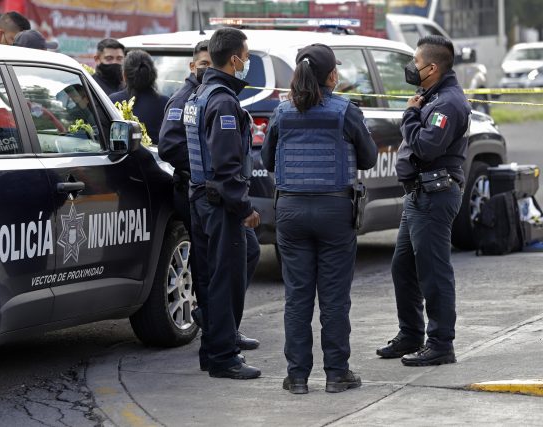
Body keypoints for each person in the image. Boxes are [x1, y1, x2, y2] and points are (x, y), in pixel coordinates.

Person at [261, 44, 377, 394]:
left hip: (291, 212)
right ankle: (336, 374)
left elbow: (267, 159)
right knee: (334, 298)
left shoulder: (282, 112)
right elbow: (369, 158)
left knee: (297, 298)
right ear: (331, 76)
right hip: (334, 212)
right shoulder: (345, 111)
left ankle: (297, 377)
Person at [158, 40, 260, 369]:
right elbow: (226, 166)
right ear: (233, 59)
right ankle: (223, 356)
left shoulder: (201, 95)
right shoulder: (222, 101)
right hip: (219, 204)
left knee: (210, 277)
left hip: (200, 198)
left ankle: (214, 350)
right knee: (224, 279)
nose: (246, 62)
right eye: (245, 56)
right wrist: (245, 208)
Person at [376, 35, 471, 366]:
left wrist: (409, 116)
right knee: (403, 267)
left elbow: (427, 147)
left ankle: (441, 343)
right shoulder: (431, 97)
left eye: (415, 63)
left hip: (434, 195)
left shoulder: (447, 104)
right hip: (419, 195)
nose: (410, 68)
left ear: (431, 68)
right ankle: (412, 334)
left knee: (433, 271)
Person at [109, 50, 169, 145]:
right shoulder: (165, 102)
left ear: (124, 75)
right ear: (153, 75)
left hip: (122, 157)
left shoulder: (113, 101)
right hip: (156, 158)